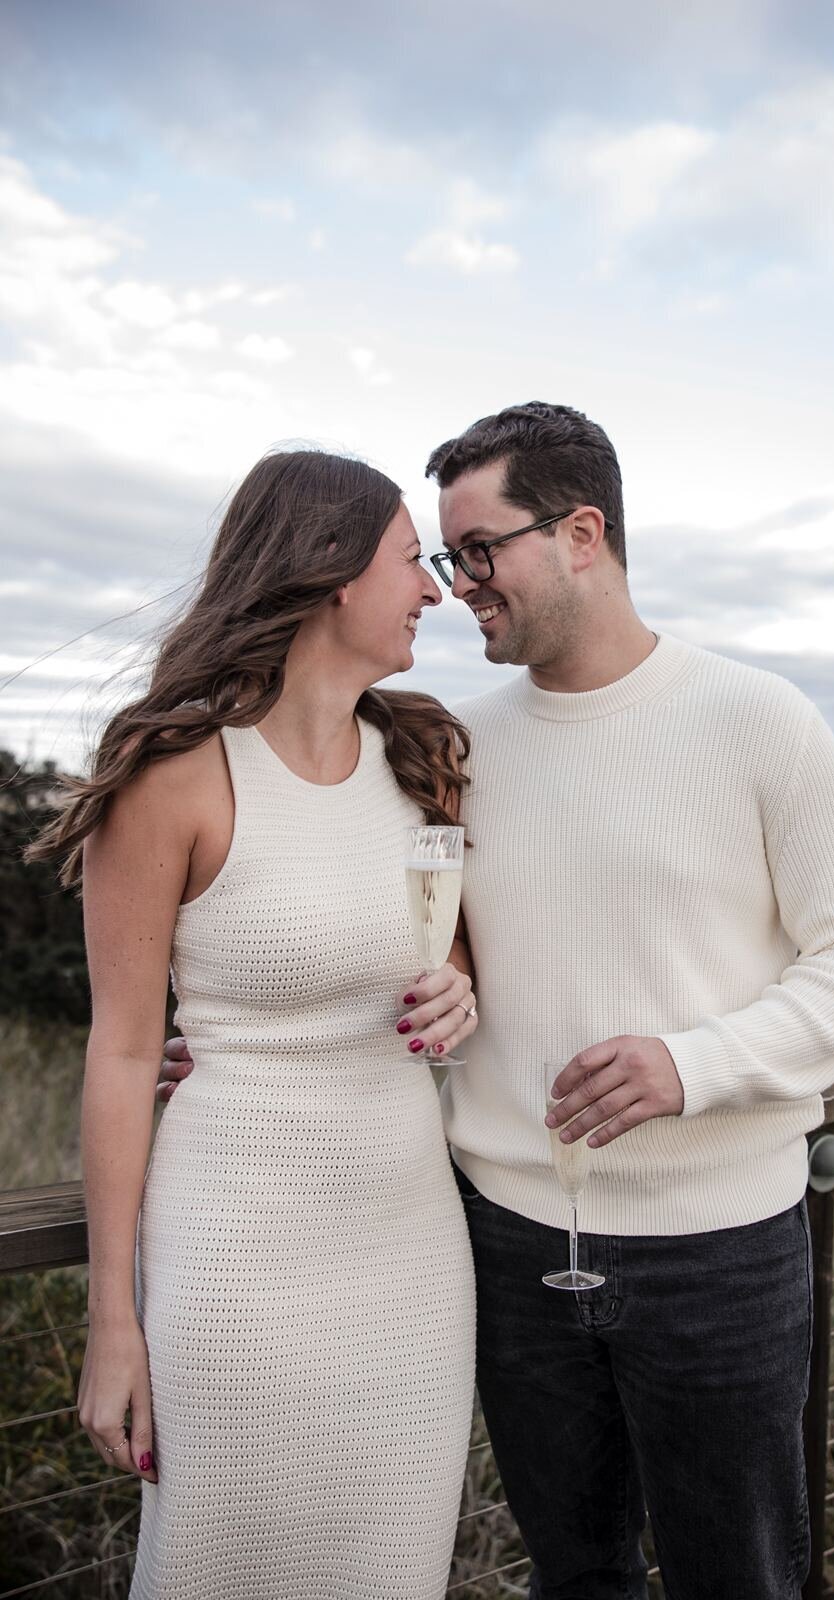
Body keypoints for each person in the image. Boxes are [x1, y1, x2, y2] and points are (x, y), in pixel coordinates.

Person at [163, 404, 834, 1600]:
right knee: (572, 1575)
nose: (458, 585)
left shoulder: (759, 719)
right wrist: (229, 1048)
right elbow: (369, 930)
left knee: (742, 1577)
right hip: (502, 1243)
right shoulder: (447, 744)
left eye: (479, 551)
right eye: (444, 559)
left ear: (581, 532)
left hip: (717, 1254)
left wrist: (696, 1062)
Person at [31, 450, 480, 1599]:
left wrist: (464, 983)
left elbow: (443, 944)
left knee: (391, 1568)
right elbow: (125, 1052)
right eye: (408, 561)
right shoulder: (176, 777)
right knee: (222, 1562)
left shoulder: (422, 757)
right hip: (236, 1254)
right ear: (331, 573)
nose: (432, 588)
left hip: (410, 1254)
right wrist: (112, 1321)